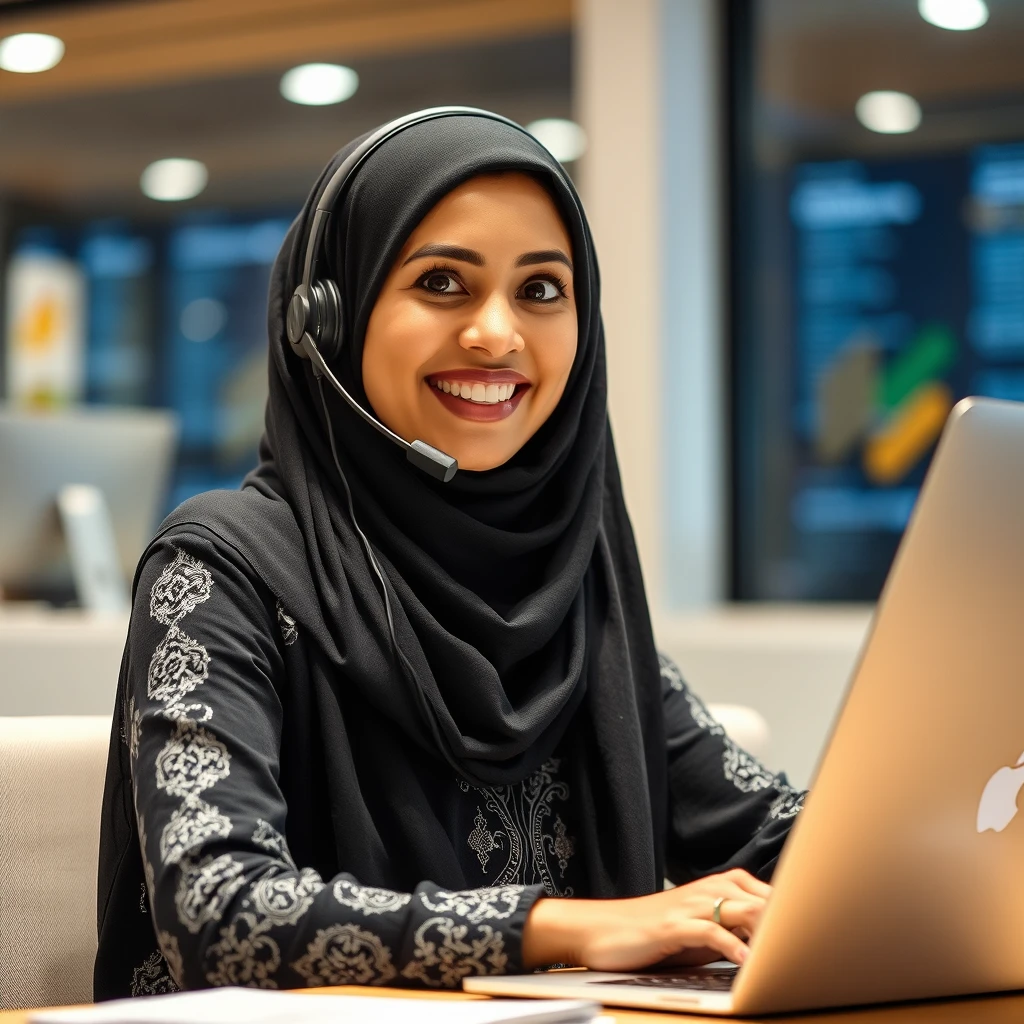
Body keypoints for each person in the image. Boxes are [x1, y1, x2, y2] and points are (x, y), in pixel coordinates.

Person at [94, 109, 805, 998]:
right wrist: (559, 927)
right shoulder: (220, 568)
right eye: (442, 282)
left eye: (543, 289)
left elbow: (782, 840)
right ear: (328, 322)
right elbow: (218, 913)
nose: (498, 334)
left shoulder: (565, 591)